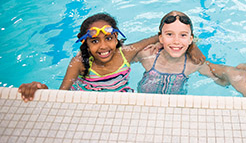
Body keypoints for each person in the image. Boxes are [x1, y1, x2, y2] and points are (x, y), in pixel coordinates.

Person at [18, 13, 161, 102]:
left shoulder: (127, 52)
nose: (103, 46)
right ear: (85, 43)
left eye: (108, 38)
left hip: (119, 100)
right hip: (86, 102)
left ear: (116, 38)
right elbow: (61, 95)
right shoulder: (78, 63)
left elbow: (156, 38)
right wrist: (42, 89)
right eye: (94, 41)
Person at [133, 11, 214, 94]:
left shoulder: (193, 64)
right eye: (169, 34)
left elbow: (220, 78)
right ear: (160, 38)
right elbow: (124, 58)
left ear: (190, 39)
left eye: (183, 35)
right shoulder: (147, 56)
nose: (176, 41)